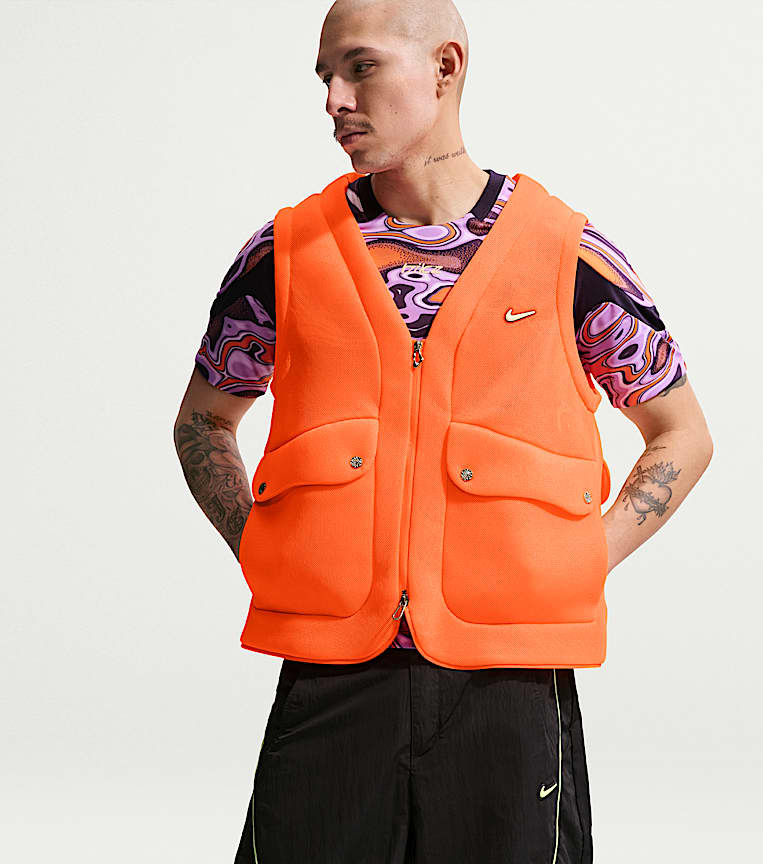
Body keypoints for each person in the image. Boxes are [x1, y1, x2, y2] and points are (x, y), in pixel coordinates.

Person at [173, 0, 713, 860]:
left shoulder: (567, 254)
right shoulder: (285, 254)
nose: (334, 100)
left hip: (507, 681)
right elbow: (204, 419)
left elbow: (681, 431)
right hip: (332, 672)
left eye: (360, 67)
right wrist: (265, 547)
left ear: (446, 67)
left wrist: (580, 559)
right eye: (325, 77)